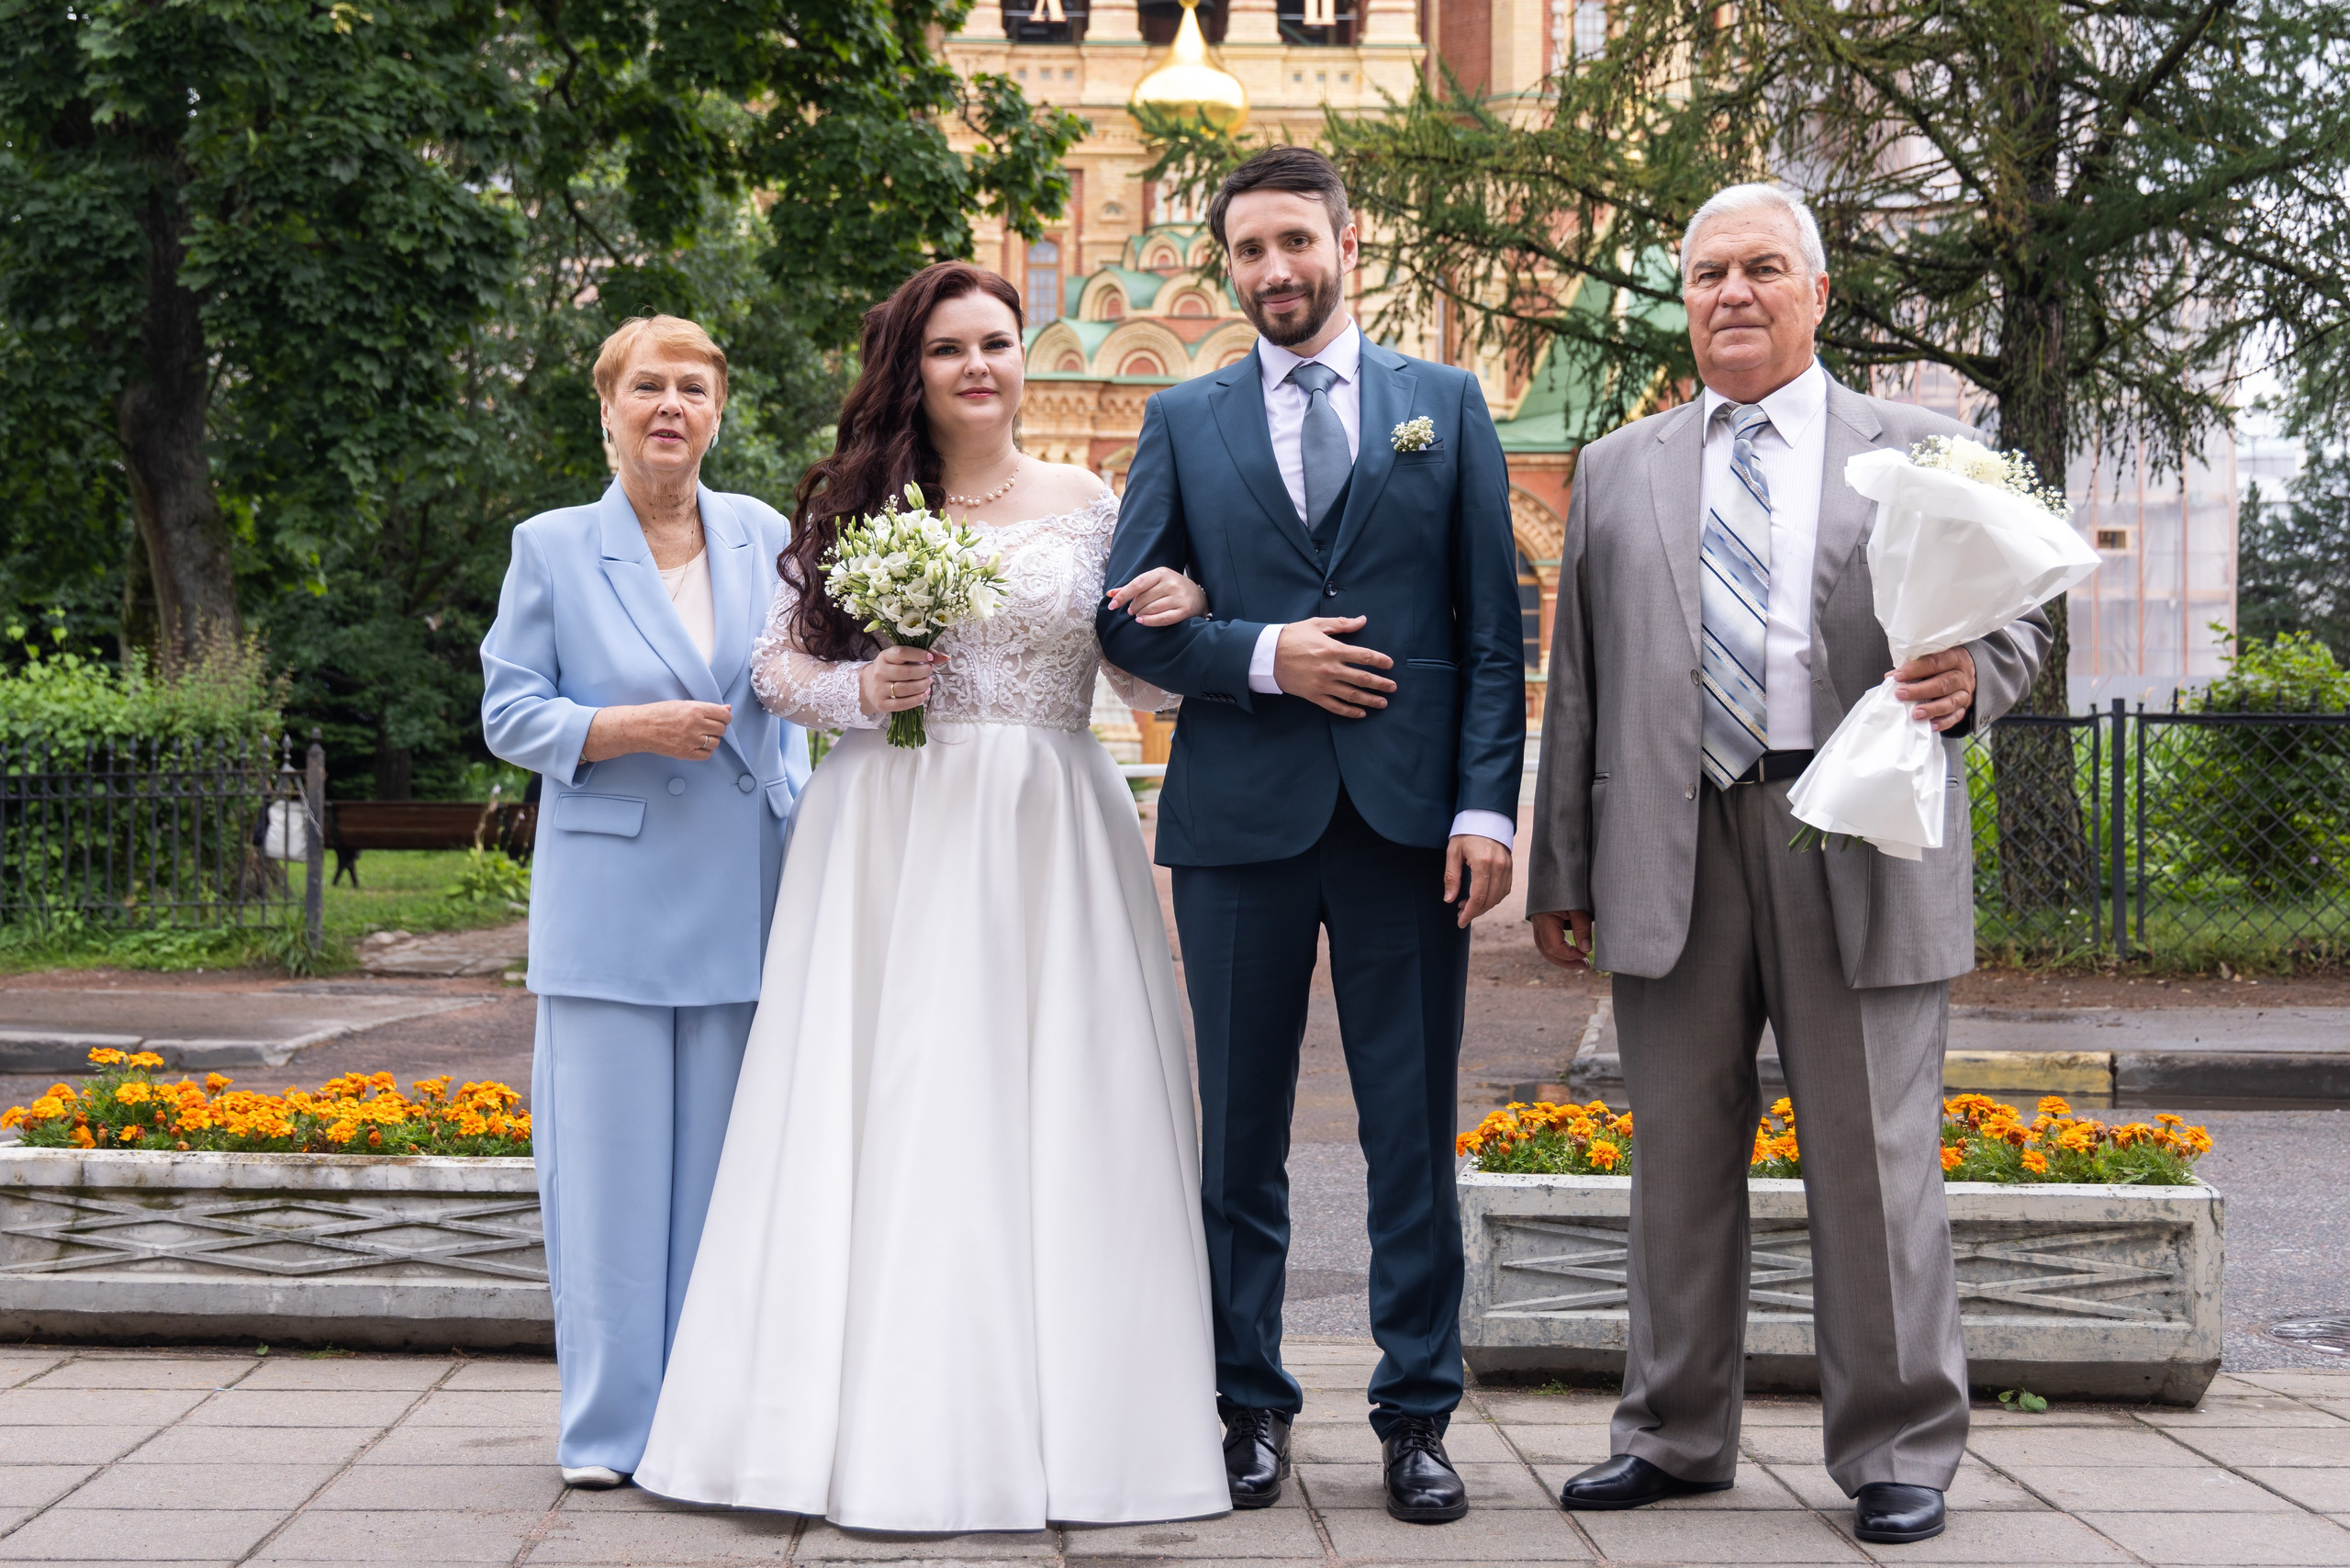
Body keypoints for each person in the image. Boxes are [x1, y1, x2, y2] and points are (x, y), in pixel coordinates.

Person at [632, 263, 1227, 1531]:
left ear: (1023, 356)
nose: (978, 366)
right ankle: (850, 1424)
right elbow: (775, 668)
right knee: (888, 1090)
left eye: (996, 342)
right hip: (889, 826)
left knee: (1062, 1097)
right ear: (913, 368)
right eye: (950, 347)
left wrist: (1182, 608)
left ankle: (1083, 1429)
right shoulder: (858, 504)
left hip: (1050, 826)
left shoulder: (1093, 504)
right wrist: (862, 692)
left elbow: (1149, 687)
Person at [1525, 184, 2051, 1546]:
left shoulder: (1923, 447)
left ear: (1818, 292)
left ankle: (1897, 1449)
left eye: (1763, 267)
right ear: (1685, 299)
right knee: (1676, 1153)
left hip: (1855, 834)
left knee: (1876, 1155)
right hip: (1671, 840)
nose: (1734, 293)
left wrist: (1972, 678)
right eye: (1708, 273)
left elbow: (2017, 623)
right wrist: (1560, 868)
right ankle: (1671, 1432)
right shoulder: (1619, 468)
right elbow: (1578, 683)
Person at [1096, 147, 1526, 1525]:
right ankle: (1246, 1408)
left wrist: (1483, 807)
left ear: (1348, 242)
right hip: (1238, 827)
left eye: (1294, 241)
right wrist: (1261, 652)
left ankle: (1417, 1419)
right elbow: (1121, 622)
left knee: (1411, 1131)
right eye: (1248, 250)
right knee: (1239, 1139)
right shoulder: (1184, 416)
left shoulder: (1443, 407)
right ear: (1227, 266)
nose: (1273, 270)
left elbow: (1490, 633)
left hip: (1408, 827)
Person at [478, 314, 811, 1488]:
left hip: (744, 891)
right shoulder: (552, 545)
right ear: (608, 406)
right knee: (607, 1181)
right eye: (648, 387)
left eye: (694, 388)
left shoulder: (767, 533)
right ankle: (610, 1432)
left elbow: (798, 686)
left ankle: (706, 1425)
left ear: (719, 411)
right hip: (612, 901)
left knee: (725, 1180)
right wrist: (625, 728)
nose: (672, 405)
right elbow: (508, 712)